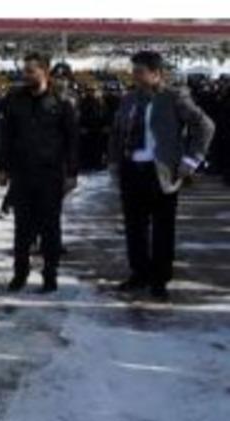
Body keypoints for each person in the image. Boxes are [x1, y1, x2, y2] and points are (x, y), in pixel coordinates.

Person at [108, 50, 215, 301]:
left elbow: (206, 126)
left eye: (140, 71)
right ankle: (139, 273)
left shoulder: (174, 97)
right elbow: (116, 132)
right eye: (133, 70)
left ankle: (160, 279)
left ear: (157, 74)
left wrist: (191, 160)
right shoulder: (129, 99)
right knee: (134, 228)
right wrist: (114, 162)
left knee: (162, 230)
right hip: (132, 171)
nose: (134, 75)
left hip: (162, 173)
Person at [0, 52, 78, 294]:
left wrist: (72, 173)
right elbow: (7, 136)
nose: (26, 74)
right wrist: (3, 167)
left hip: (50, 174)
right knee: (22, 228)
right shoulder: (15, 99)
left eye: (31, 70)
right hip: (22, 173)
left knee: (50, 228)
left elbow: (72, 139)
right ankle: (19, 273)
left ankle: (49, 275)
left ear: (45, 71)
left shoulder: (61, 101)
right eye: (25, 70)